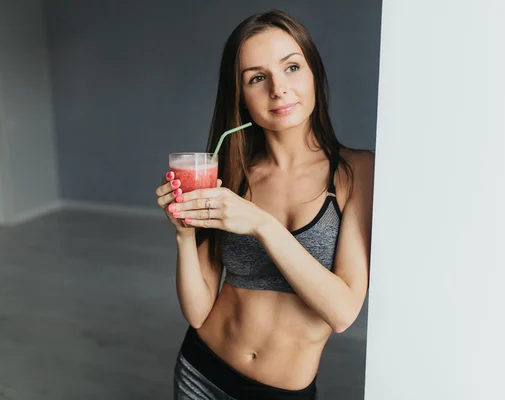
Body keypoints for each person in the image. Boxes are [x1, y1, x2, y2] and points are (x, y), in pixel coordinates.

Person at [155, 9, 375, 400]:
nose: (279, 89)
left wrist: (262, 224)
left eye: (291, 67)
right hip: (200, 371)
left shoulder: (357, 173)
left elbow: (342, 312)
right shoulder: (232, 172)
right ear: (240, 96)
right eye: (257, 78)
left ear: (313, 74)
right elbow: (198, 311)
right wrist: (184, 237)